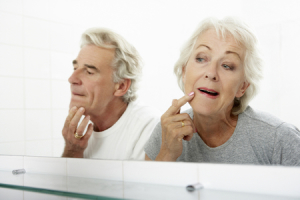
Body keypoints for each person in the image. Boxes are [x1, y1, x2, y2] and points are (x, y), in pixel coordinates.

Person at [144, 17, 300, 166]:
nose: (211, 73)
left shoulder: (279, 139)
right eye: (201, 59)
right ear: (184, 72)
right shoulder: (165, 131)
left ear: (243, 87)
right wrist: (166, 154)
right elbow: (145, 192)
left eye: (227, 66)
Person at [62, 28, 160, 160]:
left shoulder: (148, 126)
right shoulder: (77, 133)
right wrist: (72, 150)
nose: (72, 79)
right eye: (75, 68)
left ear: (121, 86)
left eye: (89, 72)